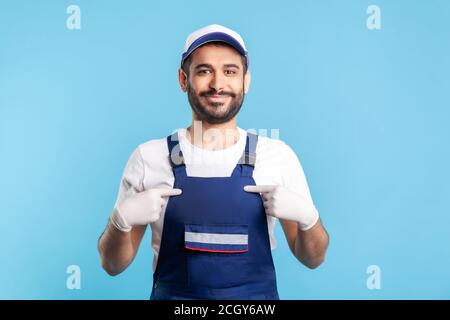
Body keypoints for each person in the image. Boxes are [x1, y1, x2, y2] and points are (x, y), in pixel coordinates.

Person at [98, 24, 329, 300]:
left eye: (230, 71)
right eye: (204, 71)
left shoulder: (278, 157)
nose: (217, 84)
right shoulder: (148, 158)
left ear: (246, 81)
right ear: (183, 80)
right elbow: (112, 265)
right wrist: (120, 222)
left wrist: (308, 218)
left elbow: (313, 259)